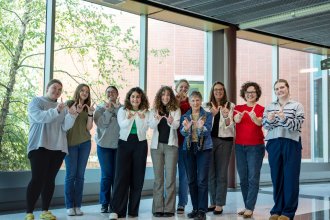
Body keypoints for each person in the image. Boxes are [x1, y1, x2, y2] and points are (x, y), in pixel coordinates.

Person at [25, 79, 78, 220]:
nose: (57, 91)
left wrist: (72, 115)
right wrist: (57, 110)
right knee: (37, 179)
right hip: (39, 146)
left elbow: (65, 127)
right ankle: (29, 212)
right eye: (54, 88)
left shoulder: (62, 107)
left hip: (58, 148)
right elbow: (40, 117)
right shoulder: (36, 102)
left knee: (49, 180)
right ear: (47, 88)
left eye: (60, 89)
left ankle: (45, 211)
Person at [263, 79, 304, 220]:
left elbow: (296, 126)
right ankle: (277, 209)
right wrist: (269, 119)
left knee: (291, 178)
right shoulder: (269, 106)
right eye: (276, 88)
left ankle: (288, 212)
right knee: (277, 178)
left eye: (282, 87)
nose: (279, 90)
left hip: (291, 143)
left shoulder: (297, 105)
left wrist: (283, 118)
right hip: (274, 143)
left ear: (288, 88)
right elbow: (266, 126)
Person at [109, 87, 150, 220]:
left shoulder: (146, 112)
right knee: (121, 177)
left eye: (138, 97)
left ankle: (133, 211)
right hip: (124, 144)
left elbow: (144, 129)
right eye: (133, 96)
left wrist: (142, 118)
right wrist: (130, 117)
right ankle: (116, 210)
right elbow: (123, 125)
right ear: (129, 98)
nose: (135, 99)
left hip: (140, 144)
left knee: (137, 178)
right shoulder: (122, 110)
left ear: (141, 99)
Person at [233, 81, 265, 218]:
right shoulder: (238, 108)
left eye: (253, 92)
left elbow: (260, 123)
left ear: (257, 94)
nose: (250, 94)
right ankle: (247, 205)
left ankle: (249, 207)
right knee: (243, 178)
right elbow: (235, 120)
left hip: (255, 147)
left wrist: (255, 119)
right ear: (244, 94)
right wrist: (237, 118)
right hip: (240, 147)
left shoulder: (261, 109)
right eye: (247, 92)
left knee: (253, 177)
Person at [180, 91, 213, 220]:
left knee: (202, 180)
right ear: (189, 102)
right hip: (189, 149)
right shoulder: (185, 116)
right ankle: (195, 208)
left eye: (197, 100)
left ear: (201, 101)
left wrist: (200, 128)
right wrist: (186, 129)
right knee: (191, 180)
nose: (195, 103)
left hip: (204, 149)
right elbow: (182, 133)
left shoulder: (207, 115)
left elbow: (208, 131)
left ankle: (202, 210)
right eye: (193, 100)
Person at [149, 86, 181, 217]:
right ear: (159, 96)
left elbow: (176, 126)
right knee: (158, 179)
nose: (165, 97)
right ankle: (158, 207)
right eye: (163, 95)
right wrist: (157, 119)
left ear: (171, 97)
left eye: (168, 95)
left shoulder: (176, 109)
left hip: (171, 147)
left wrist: (171, 122)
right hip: (156, 147)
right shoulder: (154, 110)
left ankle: (169, 208)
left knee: (170, 178)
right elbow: (150, 126)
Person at [205, 82, 235, 215]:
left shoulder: (230, 105)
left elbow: (231, 126)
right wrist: (212, 114)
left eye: (221, 89)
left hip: (225, 141)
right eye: (216, 89)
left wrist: (224, 115)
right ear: (212, 91)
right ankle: (212, 201)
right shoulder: (206, 106)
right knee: (211, 173)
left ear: (224, 91)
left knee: (221, 173)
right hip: (209, 141)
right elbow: (202, 124)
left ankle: (219, 203)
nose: (218, 92)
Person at [64, 83, 94, 216]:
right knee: (71, 175)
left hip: (85, 144)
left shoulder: (88, 108)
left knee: (80, 176)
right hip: (70, 144)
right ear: (78, 91)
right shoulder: (70, 103)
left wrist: (90, 114)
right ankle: (70, 205)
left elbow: (88, 128)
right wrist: (75, 111)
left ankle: (78, 206)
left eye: (87, 91)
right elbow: (64, 123)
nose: (84, 93)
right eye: (82, 90)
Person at [94, 86, 122, 213]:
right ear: (106, 94)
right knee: (106, 176)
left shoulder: (122, 108)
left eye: (113, 91)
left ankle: (115, 203)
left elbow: (123, 123)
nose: (111, 93)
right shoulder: (99, 108)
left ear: (117, 94)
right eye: (108, 92)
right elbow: (102, 124)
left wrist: (115, 110)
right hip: (103, 146)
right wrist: (109, 110)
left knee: (117, 176)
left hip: (118, 147)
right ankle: (104, 203)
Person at [175, 79, 190, 214]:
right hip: (171, 143)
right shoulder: (170, 100)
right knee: (169, 175)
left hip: (184, 144)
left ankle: (182, 203)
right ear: (176, 88)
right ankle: (167, 202)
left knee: (183, 175)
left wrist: (185, 102)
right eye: (181, 87)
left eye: (186, 87)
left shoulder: (191, 103)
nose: (183, 89)